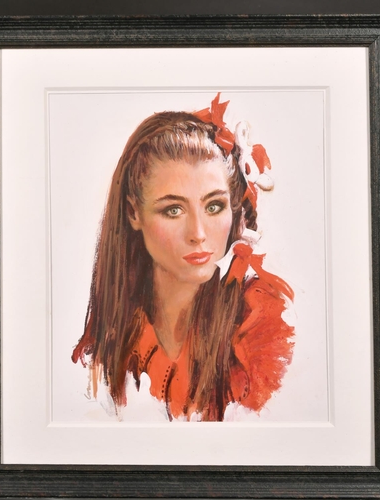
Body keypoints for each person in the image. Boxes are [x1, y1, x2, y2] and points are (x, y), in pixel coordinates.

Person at [72, 93, 294, 421]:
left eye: (214, 206)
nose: (198, 233)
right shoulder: (109, 342)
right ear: (133, 213)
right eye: (173, 210)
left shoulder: (261, 322)